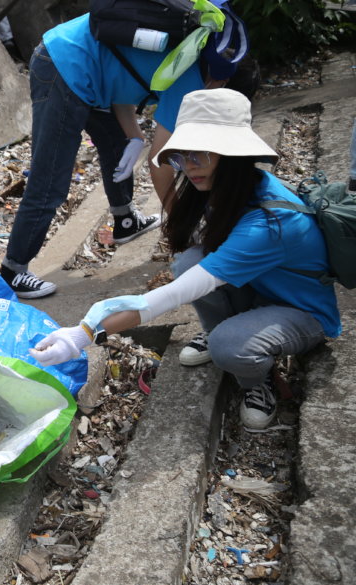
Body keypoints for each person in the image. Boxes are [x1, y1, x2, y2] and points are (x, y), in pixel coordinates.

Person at [29, 88, 341, 430]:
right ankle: (225, 330)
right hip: (262, 288)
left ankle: (256, 379)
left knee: (227, 344)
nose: (188, 167)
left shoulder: (270, 222)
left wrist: (84, 333)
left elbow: (169, 297)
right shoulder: (224, 188)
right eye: (181, 156)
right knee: (188, 263)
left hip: (302, 310)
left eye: (199, 155)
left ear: (232, 154)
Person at [0, 0, 252, 299]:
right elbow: (160, 163)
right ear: (222, 83)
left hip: (90, 65)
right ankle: (12, 271)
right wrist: (184, 230)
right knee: (51, 177)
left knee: (118, 144)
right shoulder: (191, 77)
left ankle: (126, 220)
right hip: (64, 65)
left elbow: (124, 72)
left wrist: (134, 136)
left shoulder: (196, 50)